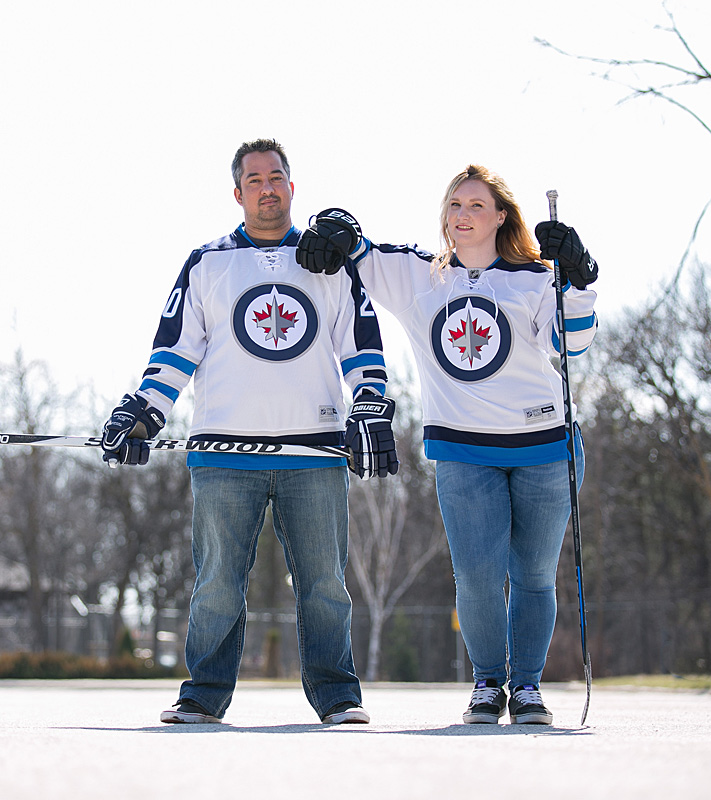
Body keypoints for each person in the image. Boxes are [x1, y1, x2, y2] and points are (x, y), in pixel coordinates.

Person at [100, 138, 398, 725]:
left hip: (313, 452)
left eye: (277, 176)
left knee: (324, 586)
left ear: (293, 187)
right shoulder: (207, 263)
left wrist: (370, 405)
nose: (267, 187)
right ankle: (203, 696)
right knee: (215, 585)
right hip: (223, 452)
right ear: (238, 194)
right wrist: (145, 409)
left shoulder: (331, 262)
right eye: (254, 179)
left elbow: (360, 347)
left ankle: (338, 697)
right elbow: (175, 351)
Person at [296, 164, 600, 725]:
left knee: (534, 576)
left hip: (544, 447)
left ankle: (528, 688)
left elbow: (573, 345)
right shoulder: (422, 276)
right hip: (463, 451)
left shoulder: (535, 278)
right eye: (454, 205)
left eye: (476, 206)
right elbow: (357, 249)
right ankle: (489, 683)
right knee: (478, 577)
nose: (461, 216)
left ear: (502, 217)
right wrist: (331, 225)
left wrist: (577, 277)